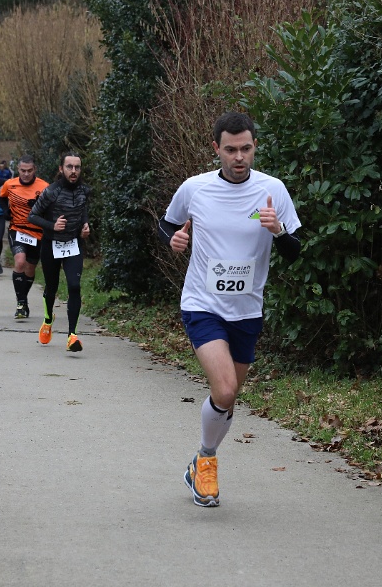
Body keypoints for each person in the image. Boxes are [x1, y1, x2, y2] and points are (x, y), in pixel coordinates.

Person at [158, 111, 302, 507]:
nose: (239, 157)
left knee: (229, 396)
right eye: (230, 150)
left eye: (246, 149)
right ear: (216, 149)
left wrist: (278, 231)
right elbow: (167, 224)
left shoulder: (272, 190)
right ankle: (206, 461)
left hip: (247, 310)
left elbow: (295, 250)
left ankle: (200, 460)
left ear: (255, 147)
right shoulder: (195, 188)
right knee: (223, 388)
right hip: (202, 304)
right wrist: (174, 241)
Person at [28, 153, 90, 352]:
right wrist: (52, 225)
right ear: (61, 169)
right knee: (52, 287)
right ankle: (48, 319)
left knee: (74, 286)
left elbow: (83, 210)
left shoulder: (84, 191)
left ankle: (72, 335)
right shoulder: (51, 191)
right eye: (69, 167)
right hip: (51, 244)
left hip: (73, 244)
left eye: (77, 167)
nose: (73, 171)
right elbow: (33, 216)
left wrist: (85, 226)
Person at [0, 155, 49, 319]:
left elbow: (51, 208)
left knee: (30, 269)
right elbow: (1, 196)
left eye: (29, 171)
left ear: (35, 170)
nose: (26, 174)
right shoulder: (10, 184)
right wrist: (5, 211)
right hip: (17, 229)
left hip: (37, 233)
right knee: (20, 262)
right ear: (18, 170)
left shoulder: (44, 187)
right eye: (23, 171)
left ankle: (24, 299)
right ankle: (20, 303)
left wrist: (39, 207)